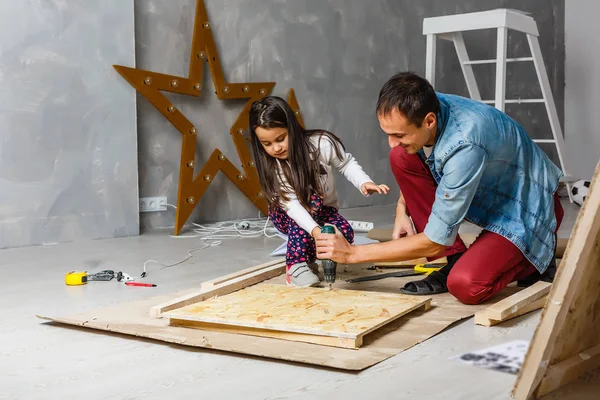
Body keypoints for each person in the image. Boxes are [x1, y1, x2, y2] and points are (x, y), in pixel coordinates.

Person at [315, 72, 564, 305]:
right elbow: (420, 160)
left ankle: (534, 261)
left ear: (429, 121)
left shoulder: (465, 144)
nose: (392, 143)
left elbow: (434, 242)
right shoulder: (427, 104)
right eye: (388, 134)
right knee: (401, 157)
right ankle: (454, 257)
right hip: (495, 189)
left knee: (466, 285)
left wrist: (353, 254)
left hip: (529, 205)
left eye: (399, 135)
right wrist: (403, 208)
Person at [249, 96, 390, 287]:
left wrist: (364, 182)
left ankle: (311, 259)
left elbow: (346, 163)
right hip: (289, 214)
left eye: (281, 139)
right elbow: (292, 207)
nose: (276, 148)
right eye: (267, 144)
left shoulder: (322, 143)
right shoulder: (275, 168)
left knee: (344, 234)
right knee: (302, 228)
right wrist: (315, 232)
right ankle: (296, 267)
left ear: (292, 127)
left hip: (323, 210)